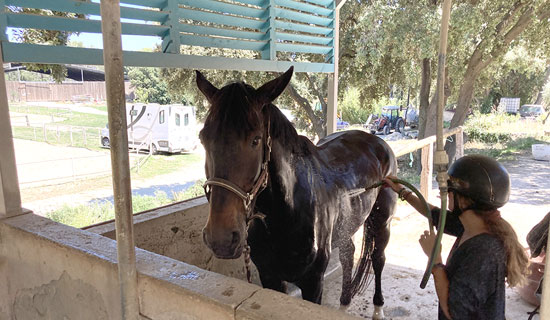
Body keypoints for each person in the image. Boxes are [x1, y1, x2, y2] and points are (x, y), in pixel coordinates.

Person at [384, 154, 528, 319]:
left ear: (465, 200)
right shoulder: (473, 225)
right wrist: (402, 191)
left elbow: (454, 313)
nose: (443, 193)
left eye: (449, 190)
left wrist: (435, 259)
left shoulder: (484, 252)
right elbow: (434, 214)